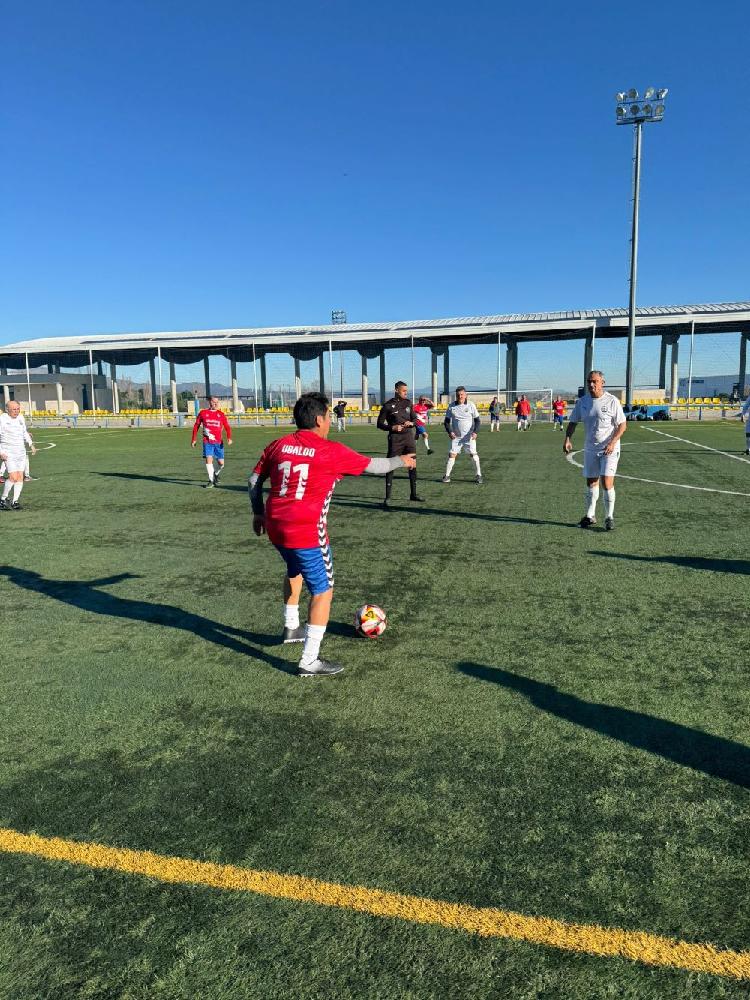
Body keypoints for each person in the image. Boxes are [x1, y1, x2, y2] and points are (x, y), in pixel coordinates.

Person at [249, 392, 416, 677]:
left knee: (294, 569)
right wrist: (403, 461)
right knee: (323, 591)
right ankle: (309, 660)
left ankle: (292, 626)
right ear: (319, 419)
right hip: (306, 530)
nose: (329, 420)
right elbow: (375, 466)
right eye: (328, 415)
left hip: (276, 526)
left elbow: (254, 480)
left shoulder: (278, 445)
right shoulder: (330, 451)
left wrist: (257, 513)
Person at [563, 370, 626, 531]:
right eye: (589, 381)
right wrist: (568, 439)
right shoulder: (582, 402)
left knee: (606, 482)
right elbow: (573, 422)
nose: (591, 384)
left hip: (609, 449)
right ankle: (590, 516)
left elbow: (622, 425)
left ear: (602, 383)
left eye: (595, 381)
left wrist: (612, 442)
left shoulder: (612, 401)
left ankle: (609, 517)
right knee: (591, 482)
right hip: (591, 448)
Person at [377, 381, 423, 507]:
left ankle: (413, 494)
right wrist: (392, 427)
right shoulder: (387, 406)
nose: (406, 393)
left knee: (412, 465)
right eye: (404, 391)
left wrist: (412, 423)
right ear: (397, 390)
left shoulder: (408, 403)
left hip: (409, 438)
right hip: (395, 439)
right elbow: (379, 424)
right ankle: (387, 497)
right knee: (390, 466)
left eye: (406, 391)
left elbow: (415, 419)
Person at [442, 386, 482, 485]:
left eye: (462, 394)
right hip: (456, 437)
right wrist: (450, 432)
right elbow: (446, 422)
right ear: (456, 395)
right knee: (452, 455)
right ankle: (447, 476)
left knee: (473, 455)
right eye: (458, 395)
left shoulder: (471, 405)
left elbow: (477, 421)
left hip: (469, 436)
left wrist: (475, 432)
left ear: (465, 395)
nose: (460, 396)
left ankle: (478, 475)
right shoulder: (451, 406)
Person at [0, 401, 36, 510]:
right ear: (7, 410)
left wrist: (31, 444)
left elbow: (24, 432)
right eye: (14, 409)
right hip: (8, 452)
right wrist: (1, 452)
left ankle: (15, 501)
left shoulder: (20, 417)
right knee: (13, 477)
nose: (16, 411)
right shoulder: (2, 419)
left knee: (20, 477)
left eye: (18, 409)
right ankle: (3, 499)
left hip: (21, 452)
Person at [191, 396, 233, 487]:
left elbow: (227, 427)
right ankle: (211, 480)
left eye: (217, 402)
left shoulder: (221, 414)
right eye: (214, 402)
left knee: (221, 464)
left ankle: (216, 474)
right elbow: (196, 426)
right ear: (209, 402)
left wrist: (229, 438)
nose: (216, 404)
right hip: (207, 441)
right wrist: (194, 439)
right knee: (209, 460)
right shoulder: (203, 413)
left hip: (219, 442)